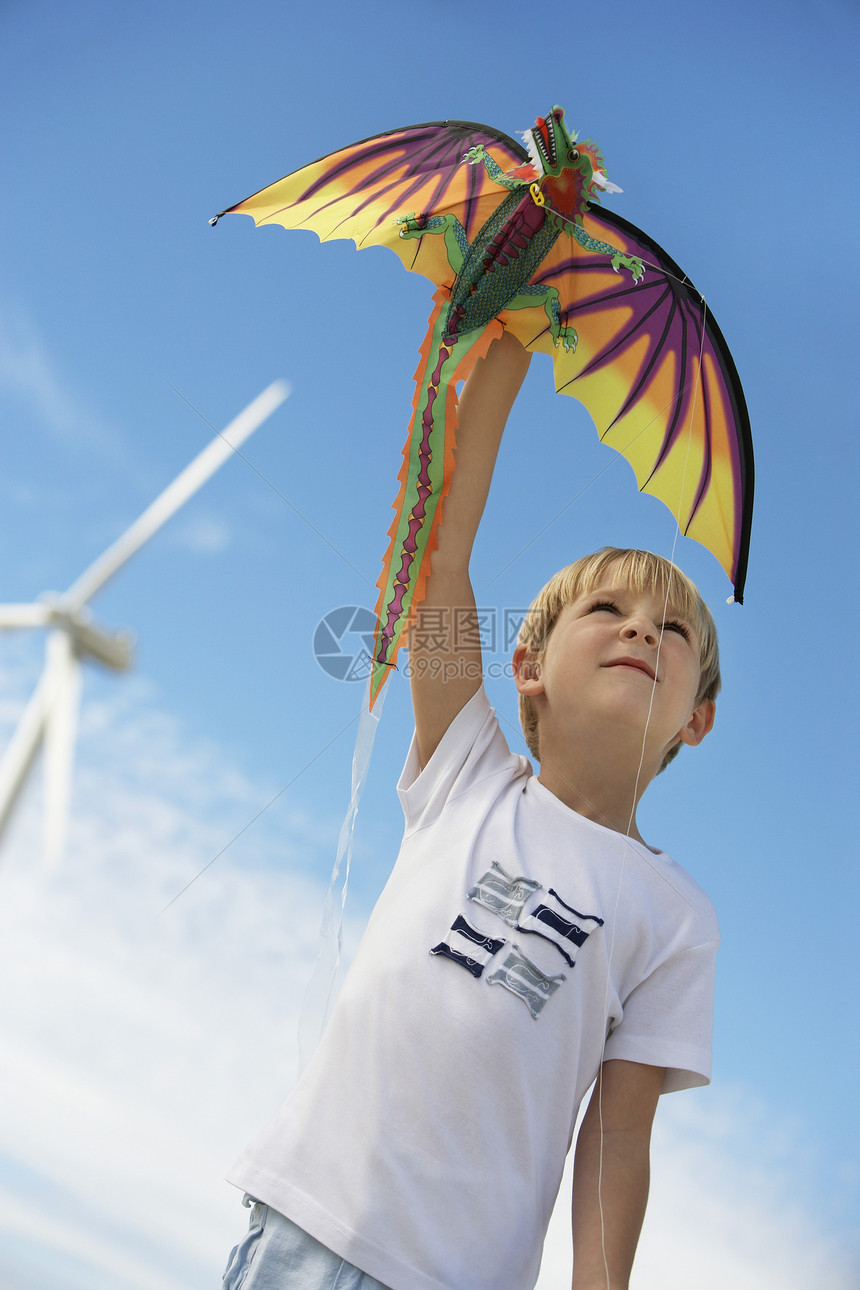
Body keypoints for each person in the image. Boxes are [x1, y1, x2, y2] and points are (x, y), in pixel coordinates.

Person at [222, 331, 720, 1290]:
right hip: (303, 1227)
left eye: (672, 631)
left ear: (695, 720)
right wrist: (507, 356)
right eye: (607, 611)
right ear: (527, 666)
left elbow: (618, 1135)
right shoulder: (470, 773)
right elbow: (442, 562)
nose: (639, 628)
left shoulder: (679, 917)